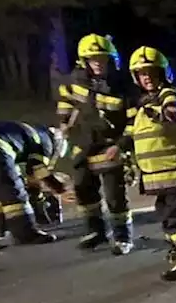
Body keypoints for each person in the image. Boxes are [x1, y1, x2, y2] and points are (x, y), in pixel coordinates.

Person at [117, 46, 176, 281]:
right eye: (141, 73)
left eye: (151, 72)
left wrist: (168, 112)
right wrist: (119, 151)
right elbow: (131, 136)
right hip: (163, 176)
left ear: (162, 73)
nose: (146, 77)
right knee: (170, 217)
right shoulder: (141, 106)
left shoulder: (170, 95)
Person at [56, 33, 136, 255]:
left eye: (102, 59)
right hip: (82, 146)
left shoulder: (122, 87)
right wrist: (63, 123)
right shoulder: (74, 82)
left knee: (114, 196)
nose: (98, 63)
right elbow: (65, 103)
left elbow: (133, 122)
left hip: (109, 147)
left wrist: (120, 146)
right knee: (83, 190)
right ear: (84, 61)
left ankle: (122, 237)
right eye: (93, 59)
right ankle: (96, 231)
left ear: (111, 60)